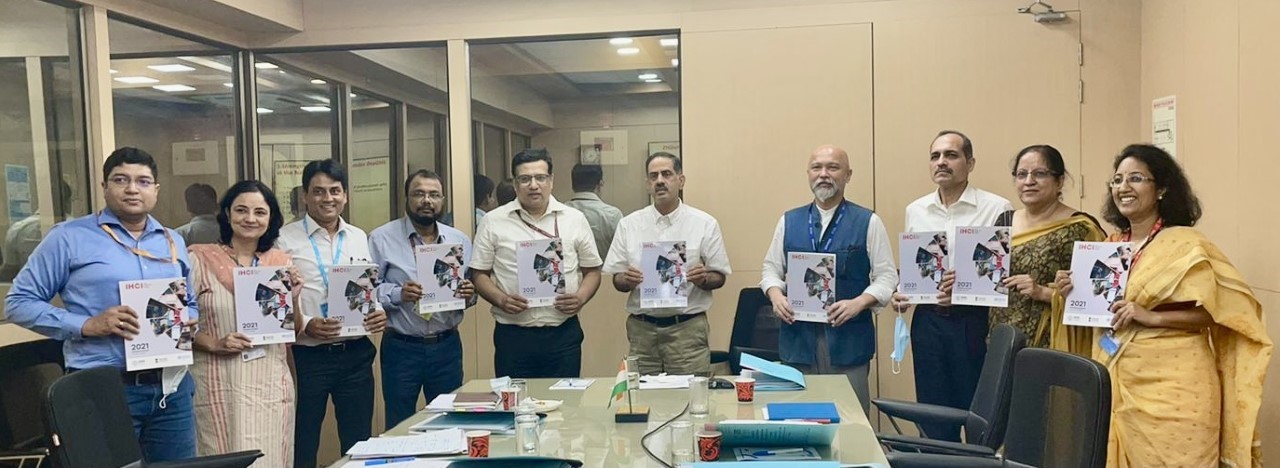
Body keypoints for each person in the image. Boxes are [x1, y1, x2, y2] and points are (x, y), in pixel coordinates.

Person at [1058, 144, 1270, 467]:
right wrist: (1071, 292)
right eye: (1117, 180)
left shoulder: (1186, 245)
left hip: (1176, 389)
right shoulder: (1108, 247)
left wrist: (1150, 317)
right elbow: (1098, 312)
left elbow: (1219, 314)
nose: (1123, 187)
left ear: (1161, 189)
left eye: (1136, 178)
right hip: (1115, 375)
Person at [5, 147, 199, 462]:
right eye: (121, 180)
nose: (132, 189)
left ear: (156, 190)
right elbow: (18, 303)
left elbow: (190, 302)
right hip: (103, 387)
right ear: (104, 187)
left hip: (171, 387)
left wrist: (189, 320)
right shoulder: (68, 237)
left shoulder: (172, 240)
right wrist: (86, 325)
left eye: (143, 181)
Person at [890, 131, 1012, 442]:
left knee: (979, 416)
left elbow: (1001, 273)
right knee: (933, 416)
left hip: (973, 322)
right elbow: (916, 265)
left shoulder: (997, 207)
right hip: (928, 322)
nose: (941, 162)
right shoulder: (916, 209)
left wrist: (963, 293)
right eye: (935, 156)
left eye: (951, 155)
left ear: (970, 163)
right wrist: (902, 292)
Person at [760, 144, 897, 414]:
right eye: (817, 167)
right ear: (808, 173)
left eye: (833, 167)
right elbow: (770, 270)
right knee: (800, 420)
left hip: (848, 341)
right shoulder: (789, 221)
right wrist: (776, 296)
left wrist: (859, 303)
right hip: (798, 341)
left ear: (848, 175)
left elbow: (887, 277)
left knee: (851, 421)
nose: (824, 174)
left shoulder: (868, 221)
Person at [276, 159, 388, 468]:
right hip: (307, 357)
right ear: (305, 196)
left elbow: (368, 286)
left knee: (358, 440)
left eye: (335, 191)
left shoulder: (358, 236)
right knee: (303, 439)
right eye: (319, 191)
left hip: (355, 354)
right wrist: (305, 324)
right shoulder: (283, 240)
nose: (328, 198)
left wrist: (378, 311)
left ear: (345, 195)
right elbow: (278, 299)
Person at [188, 180, 300, 467]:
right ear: (227, 214)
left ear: (271, 218)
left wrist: (294, 297)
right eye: (241, 210)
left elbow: (295, 331)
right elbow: (177, 325)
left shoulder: (281, 264)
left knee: (269, 458)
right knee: (220, 457)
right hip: (218, 384)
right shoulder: (198, 259)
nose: (250, 218)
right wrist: (214, 343)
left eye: (260, 212)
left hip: (270, 386)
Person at [471, 149, 603, 378]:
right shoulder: (493, 221)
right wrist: (501, 299)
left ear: (551, 180)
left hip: (563, 334)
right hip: (513, 335)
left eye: (540, 177)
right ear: (515, 183)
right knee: (516, 399)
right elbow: (478, 273)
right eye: (525, 179)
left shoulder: (574, 219)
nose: (533, 185)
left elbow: (592, 270)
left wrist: (580, 298)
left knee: (565, 399)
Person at [604, 152, 732, 376]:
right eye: (653, 176)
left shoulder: (704, 223)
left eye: (667, 174)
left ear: (680, 180)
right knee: (643, 393)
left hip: (687, 330)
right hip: (642, 331)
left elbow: (719, 277)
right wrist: (627, 280)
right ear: (647, 184)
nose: (660, 181)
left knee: (690, 393)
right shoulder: (629, 224)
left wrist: (704, 278)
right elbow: (617, 280)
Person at [369, 170, 476, 427]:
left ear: (443, 200)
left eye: (434, 195)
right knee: (399, 423)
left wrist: (469, 294)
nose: (427, 201)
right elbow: (368, 292)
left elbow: (470, 292)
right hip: (401, 347)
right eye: (419, 194)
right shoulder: (381, 238)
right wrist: (398, 293)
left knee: (448, 420)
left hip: (446, 345)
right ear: (407, 198)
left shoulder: (458, 240)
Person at [987, 145, 1105, 353]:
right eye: (1021, 174)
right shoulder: (1004, 221)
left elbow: (1099, 300)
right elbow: (986, 280)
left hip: (1052, 344)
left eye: (1039, 174)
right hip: (1002, 338)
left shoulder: (1080, 228)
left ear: (1059, 181)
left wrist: (1043, 292)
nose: (1029, 181)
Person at [565, 163, 624, 258]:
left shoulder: (558, 214)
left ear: (573, 185)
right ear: (600, 184)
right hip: (604, 268)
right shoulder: (612, 215)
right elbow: (622, 254)